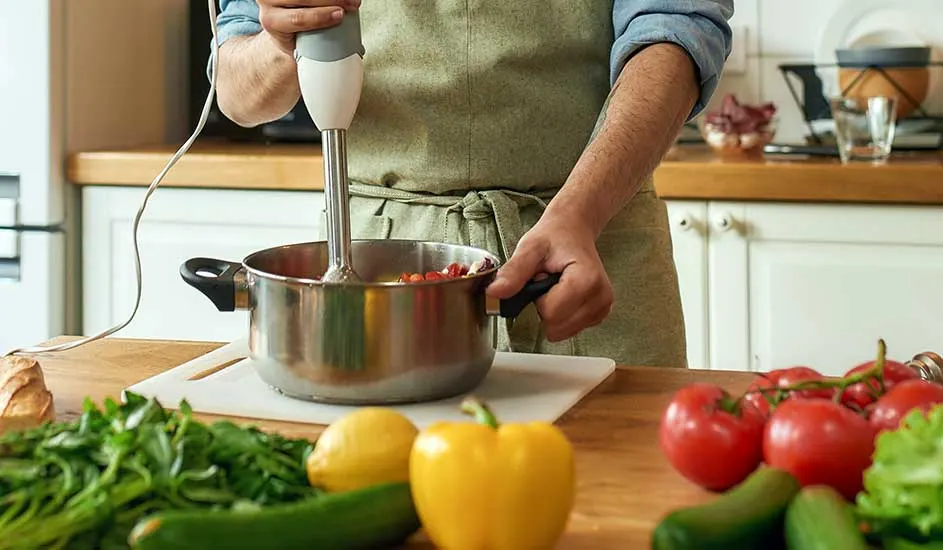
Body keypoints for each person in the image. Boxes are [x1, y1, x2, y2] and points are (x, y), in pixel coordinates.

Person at [211, 0, 733, 368]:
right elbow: (236, 90)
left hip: (590, 251)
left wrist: (580, 214)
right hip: (378, 271)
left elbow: (675, 30)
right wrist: (280, 41)